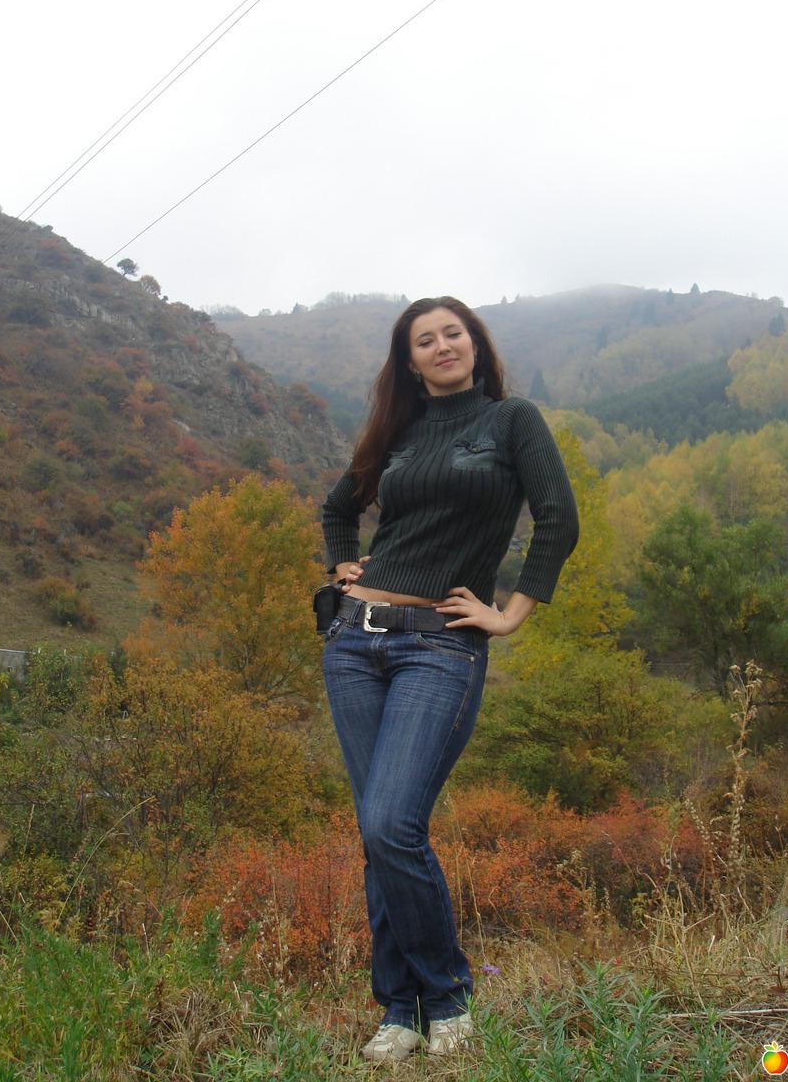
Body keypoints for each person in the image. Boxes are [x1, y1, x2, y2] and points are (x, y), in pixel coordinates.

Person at [320, 296, 578, 1062]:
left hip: (440, 647)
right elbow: (338, 509)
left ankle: (445, 995)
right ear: (409, 361)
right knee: (377, 834)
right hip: (353, 642)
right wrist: (342, 564)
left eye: (452, 333)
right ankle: (399, 1011)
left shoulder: (511, 421)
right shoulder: (395, 433)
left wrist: (510, 614)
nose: (441, 346)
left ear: (474, 343)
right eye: (424, 340)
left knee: (391, 822)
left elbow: (559, 519)